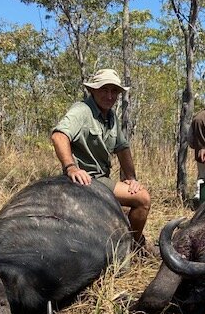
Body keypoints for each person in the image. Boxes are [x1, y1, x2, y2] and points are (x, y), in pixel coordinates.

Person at [51, 68, 154, 255]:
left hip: (103, 179)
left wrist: (131, 177)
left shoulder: (110, 116)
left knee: (127, 203)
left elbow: (122, 148)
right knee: (142, 199)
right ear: (93, 90)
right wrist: (71, 167)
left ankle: (132, 241)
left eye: (114, 91)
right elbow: (59, 136)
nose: (109, 95)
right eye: (104, 90)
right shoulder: (81, 110)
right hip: (89, 180)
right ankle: (135, 246)